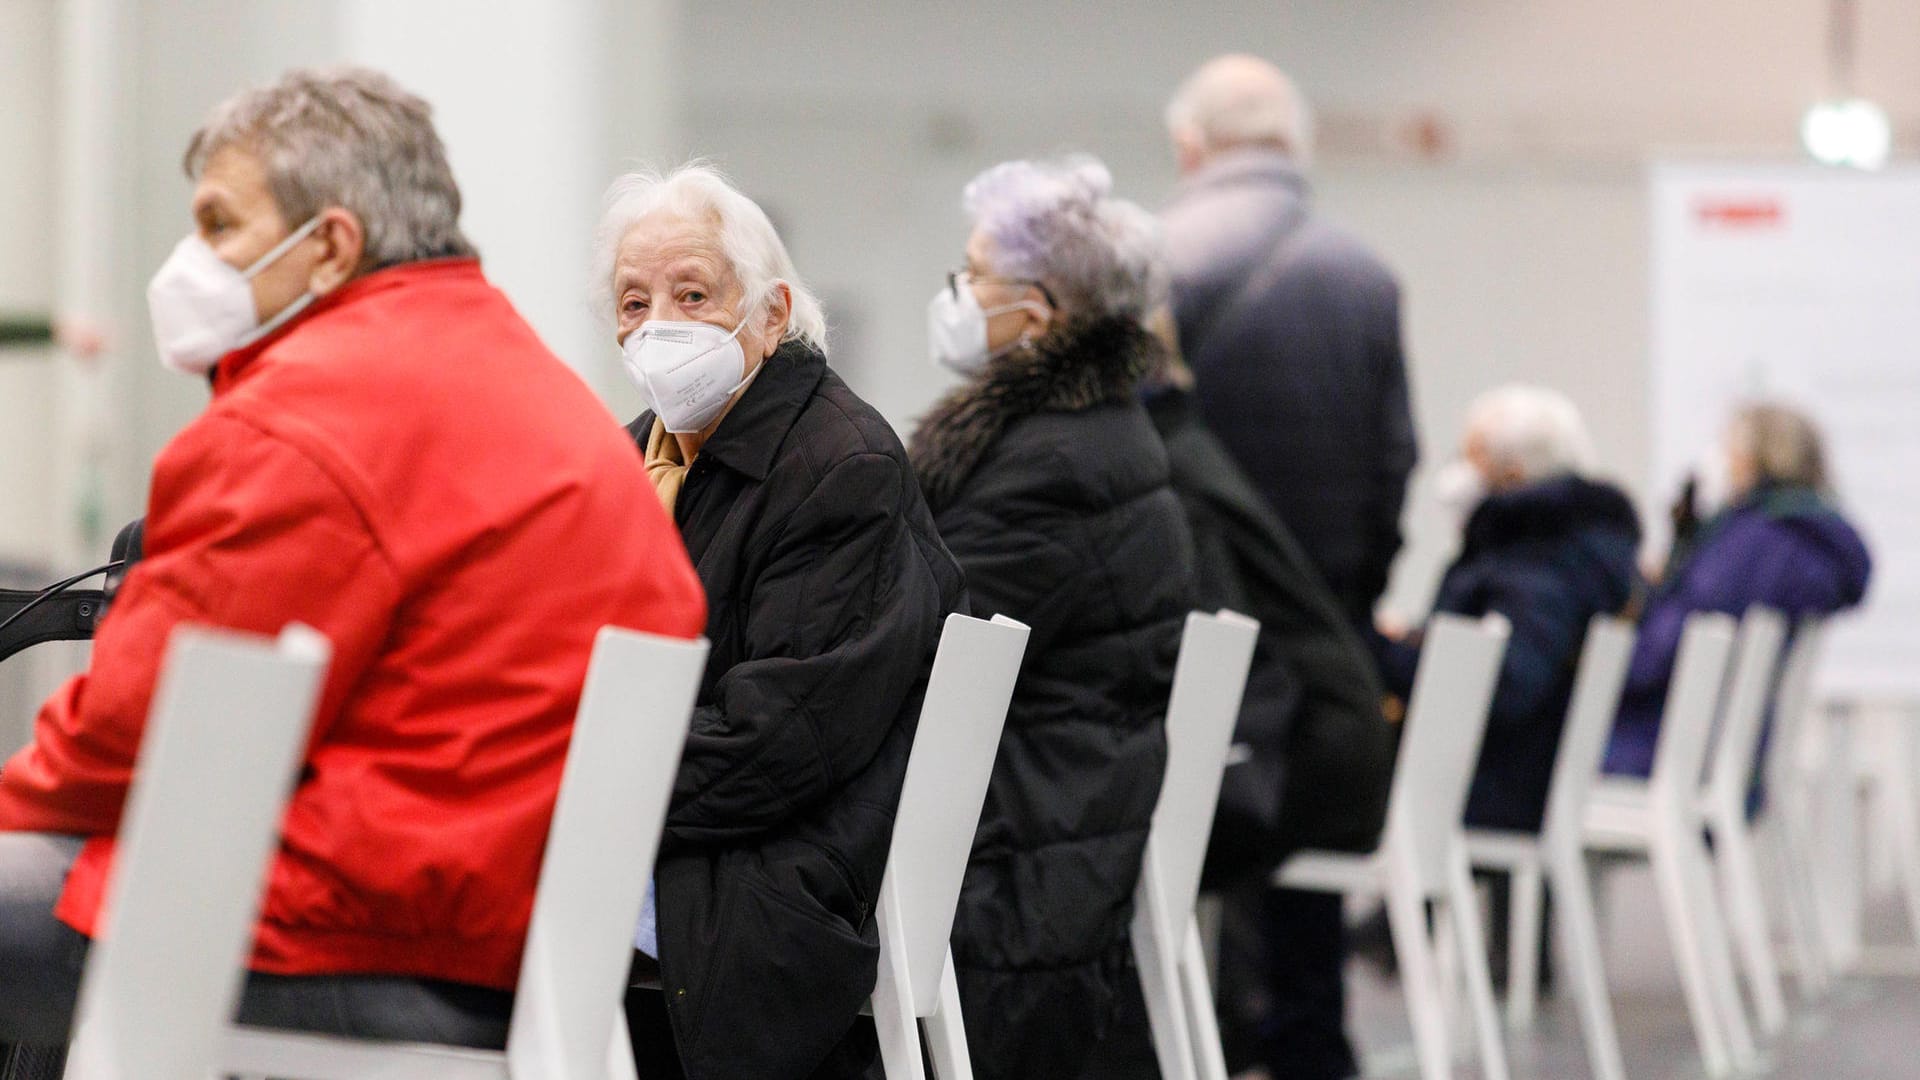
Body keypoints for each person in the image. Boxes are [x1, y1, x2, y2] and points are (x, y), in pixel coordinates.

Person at [0, 65, 707, 1062]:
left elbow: (125, 739)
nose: (192, 261)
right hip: (500, 938)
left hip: (342, 936)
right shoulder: (538, 391)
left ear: (330, 244)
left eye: (218, 225)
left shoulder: (312, 415)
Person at [601, 163, 965, 1080]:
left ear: (772, 313)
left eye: (693, 294)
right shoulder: (628, 458)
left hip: (768, 873)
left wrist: (577, 781)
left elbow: (777, 744)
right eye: (633, 300)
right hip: (701, 838)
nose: (658, 326)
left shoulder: (840, 465)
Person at [911, 156, 1196, 1080]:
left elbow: (918, 644)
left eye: (969, 274)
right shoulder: (1099, 437)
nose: (953, 294)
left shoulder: (1050, 467)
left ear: (1033, 315)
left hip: (1016, 860)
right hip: (1057, 818)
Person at [1161, 53, 1417, 1080]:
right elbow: (1395, 459)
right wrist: (1353, 590)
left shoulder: (1153, 264)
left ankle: (1193, 1037)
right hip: (1326, 619)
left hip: (1189, 618)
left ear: (1190, 147)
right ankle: (1310, 1038)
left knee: (1186, 844)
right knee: (1306, 858)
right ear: (1296, 145)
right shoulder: (1364, 275)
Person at [1081, 328, 1397, 1079]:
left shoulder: (1165, 475)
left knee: (1092, 833)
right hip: (1333, 740)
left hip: (1306, 764)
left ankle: (1199, 1040)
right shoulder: (1193, 449)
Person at [1383, 386, 1641, 833]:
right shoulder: (1574, 545)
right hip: (1521, 772)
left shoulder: (1538, 557)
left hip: (1497, 782)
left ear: (1515, 472)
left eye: (1474, 455)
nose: (1459, 471)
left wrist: (1386, 654)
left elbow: (1505, 680)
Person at [1605, 403, 1871, 778]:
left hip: (1677, 747)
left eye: (1730, 448)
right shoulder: (1803, 540)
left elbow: (1666, 648)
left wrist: (1607, 655)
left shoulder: (1753, 542)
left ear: (1754, 458)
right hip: (1729, 750)